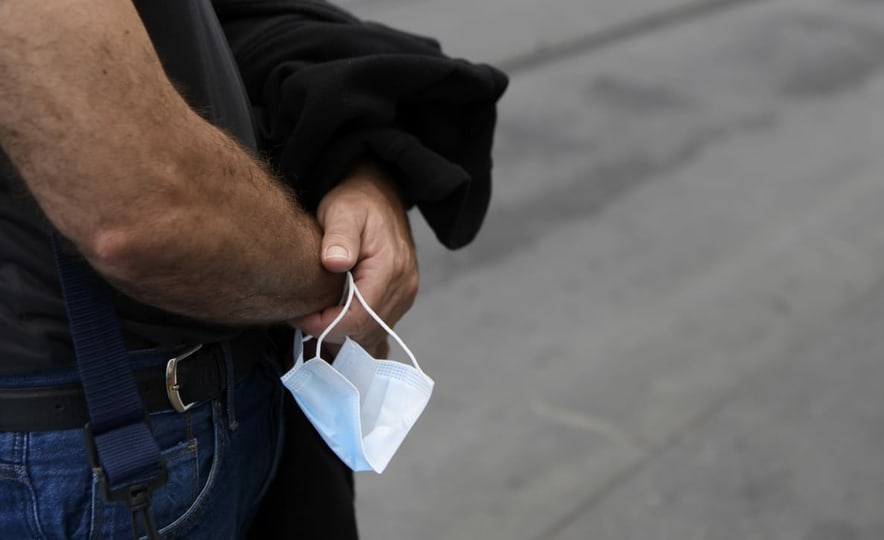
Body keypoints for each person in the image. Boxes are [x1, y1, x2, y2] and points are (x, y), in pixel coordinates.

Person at [0, 0, 507, 538]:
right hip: (96, 448)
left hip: (173, 422)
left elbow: (202, 28)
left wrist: (358, 162)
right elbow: (141, 213)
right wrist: (334, 280)